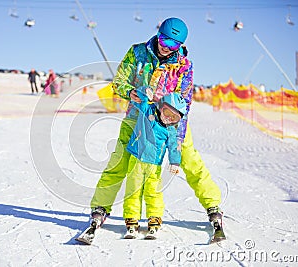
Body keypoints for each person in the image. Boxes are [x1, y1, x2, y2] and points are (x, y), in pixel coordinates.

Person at [89, 17, 223, 235]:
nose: (165, 46)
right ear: (157, 34)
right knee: (119, 163)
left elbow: (184, 103)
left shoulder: (184, 66)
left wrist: (176, 138)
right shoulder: (137, 52)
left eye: (172, 44)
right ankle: (101, 207)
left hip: (170, 122)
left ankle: (212, 205)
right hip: (136, 119)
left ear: (180, 46)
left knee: (190, 161)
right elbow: (119, 82)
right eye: (163, 39)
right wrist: (129, 92)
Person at [123, 87, 187, 238]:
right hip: (136, 160)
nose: (168, 119)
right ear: (160, 106)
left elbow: (174, 147)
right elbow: (139, 97)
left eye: (174, 118)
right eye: (167, 113)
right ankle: (132, 219)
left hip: (154, 166)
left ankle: (154, 218)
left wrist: (175, 162)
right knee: (133, 190)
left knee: (153, 192)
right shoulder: (147, 110)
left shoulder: (170, 130)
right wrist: (144, 91)